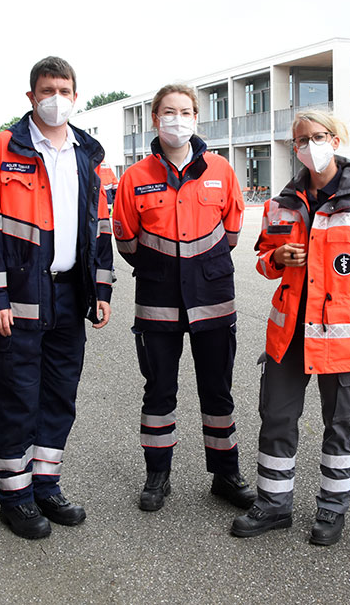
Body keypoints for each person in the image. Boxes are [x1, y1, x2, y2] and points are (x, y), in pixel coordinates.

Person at [231, 110, 350, 546]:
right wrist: (276, 259)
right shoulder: (281, 203)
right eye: (303, 140)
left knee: (339, 423)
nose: (311, 145)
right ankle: (274, 505)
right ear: (295, 149)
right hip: (289, 335)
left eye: (320, 136)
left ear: (337, 138)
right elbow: (263, 260)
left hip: (343, 340)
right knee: (276, 417)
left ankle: (332, 509)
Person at [0, 56, 114, 540]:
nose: (57, 98)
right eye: (47, 89)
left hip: (71, 293)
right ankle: (15, 495)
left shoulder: (88, 154)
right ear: (30, 97)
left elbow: (101, 226)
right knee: (15, 395)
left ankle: (46, 484)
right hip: (19, 295)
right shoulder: (2, 149)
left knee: (58, 394)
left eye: (65, 89)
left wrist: (102, 288)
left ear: (76, 96)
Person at [112, 83, 254, 512]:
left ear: (197, 118)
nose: (177, 119)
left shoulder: (221, 171)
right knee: (159, 391)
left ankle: (226, 475)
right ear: (155, 119)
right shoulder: (135, 177)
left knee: (219, 391)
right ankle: (158, 475)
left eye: (186, 111)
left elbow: (231, 232)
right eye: (169, 111)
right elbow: (125, 240)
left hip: (213, 298)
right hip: (157, 301)